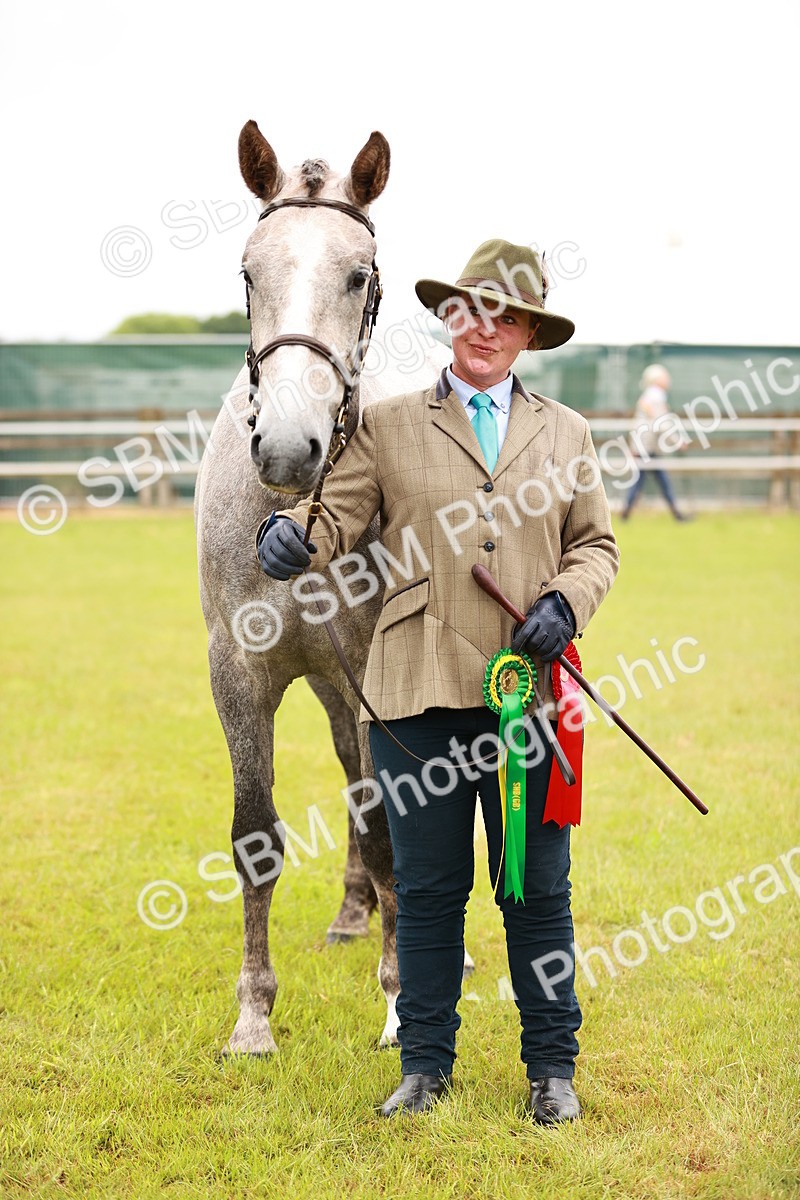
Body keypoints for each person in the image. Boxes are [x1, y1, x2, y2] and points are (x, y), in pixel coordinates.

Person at [257, 239, 619, 1123]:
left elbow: (596, 547)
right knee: (424, 892)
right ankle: (424, 1067)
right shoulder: (386, 424)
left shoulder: (567, 433)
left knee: (537, 887)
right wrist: (295, 539)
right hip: (413, 695)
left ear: (528, 332)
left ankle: (552, 1071)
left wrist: (568, 605)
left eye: (506, 315)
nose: (485, 329)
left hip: (525, 697)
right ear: (450, 318)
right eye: (471, 310)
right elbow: (334, 518)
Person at [621, 364, 692, 520]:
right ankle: (677, 514)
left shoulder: (649, 396)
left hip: (644, 446)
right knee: (656, 481)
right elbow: (662, 423)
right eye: (665, 377)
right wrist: (678, 441)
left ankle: (626, 514)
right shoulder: (656, 396)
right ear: (657, 380)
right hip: (647, 447)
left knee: (644, 481)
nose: (668, 380)